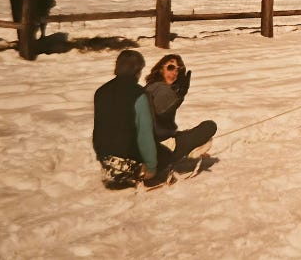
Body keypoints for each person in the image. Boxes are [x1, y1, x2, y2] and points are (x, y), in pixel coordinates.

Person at [92, 50, 158, 189]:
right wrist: (151, 166)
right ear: (137, 71)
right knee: (167, 154)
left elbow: (99, 128)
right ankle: (135, 172)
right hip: (129, 160)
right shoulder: (139, 94)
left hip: (106, 158)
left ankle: (113, 169)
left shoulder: (101, 91)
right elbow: (144, 134)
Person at [144, 54, 217, 168]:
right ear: (160, 68)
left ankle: (190, 148)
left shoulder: (150, 87)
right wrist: (179, 95)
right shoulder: (163, 90)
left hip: (152, 142)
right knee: (209, 127)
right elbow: (162, 110)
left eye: (178, 70)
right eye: (170, 67)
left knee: (186, 134)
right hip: (161, 149)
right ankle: (188, 151)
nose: (174, 73)